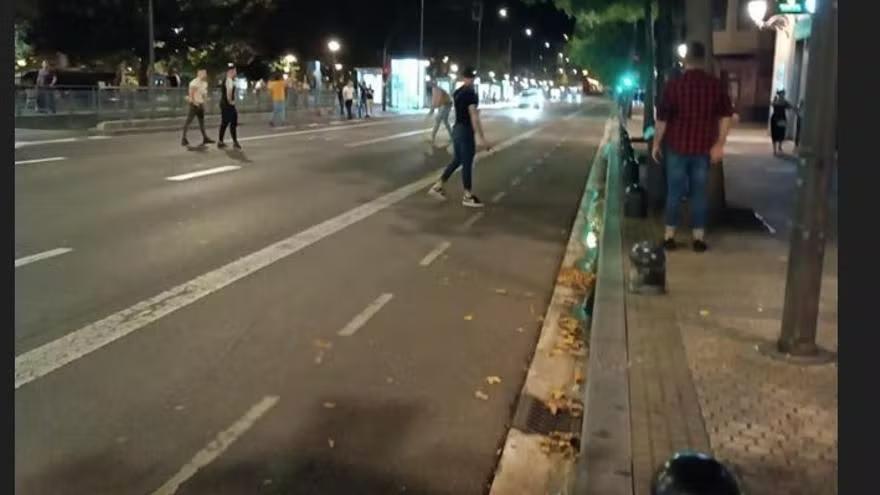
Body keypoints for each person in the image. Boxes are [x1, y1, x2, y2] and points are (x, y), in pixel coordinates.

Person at [652, 41, 733, 253]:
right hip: (703, 148)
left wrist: (656, 143)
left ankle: (669, 236)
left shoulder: (674, 85)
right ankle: (698, 238)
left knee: (674, 192)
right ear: (703, 59)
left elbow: (662, 119)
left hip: (677, 147)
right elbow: (726, 115)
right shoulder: (715, 86)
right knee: (699, 193)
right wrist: (720, 144)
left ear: (685, 59)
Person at [428, 67, 492, 208]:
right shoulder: (471, 93)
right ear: (471, 78)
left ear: (462, 77)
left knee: (457, 160)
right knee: (467, 162)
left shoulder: (457, 92)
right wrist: (482, 138)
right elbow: (473, 116)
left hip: (457, 128)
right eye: (472, 77)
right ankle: (467, 195)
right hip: (465, 131)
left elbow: (461, 111)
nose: (472, 80)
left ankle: (438, 185)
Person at [181, 69, 214, 147]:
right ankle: (183, 138)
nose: (205, 75)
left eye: (205, 73)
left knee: (202, 122)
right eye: (203, 73)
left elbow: (204, 94)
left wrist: (205, 102)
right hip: (194, 105)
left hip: (200, 104)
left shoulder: (204, 83)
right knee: (188, 122)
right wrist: (194, 102)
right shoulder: (194, 83)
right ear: (199, 74)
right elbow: (191, 94)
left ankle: (205, 138)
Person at [218, 64, 242, 149]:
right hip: (227, 105)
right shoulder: (229, 80)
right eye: (235, 70)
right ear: (231, 71)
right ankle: (233, 142)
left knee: (226, 123)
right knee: (231, 123)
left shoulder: (228, 79)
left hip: (225, 104)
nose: (236, 72)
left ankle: (222, 142)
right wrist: (230, 101)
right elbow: (229, 92)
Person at [427, 81, 453, 147]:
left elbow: (436, 100)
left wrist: (432, 109)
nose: (429, 85)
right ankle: (452, 136)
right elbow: (435, 100)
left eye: (430, 83)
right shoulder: (436, 89)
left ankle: (432, 137)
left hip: (446, 104)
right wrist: (432, 108)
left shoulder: (436, 89)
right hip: (445, 104)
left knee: (438, 120)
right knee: (445, 121)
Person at [770, 89, 793, 155]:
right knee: (774, 133)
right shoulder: (778, 101)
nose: (783, 95)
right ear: (779, 94)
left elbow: (790, 107)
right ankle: (774, 149)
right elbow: (772, 104)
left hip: (781, 118)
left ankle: (779, 146)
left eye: (783, 94)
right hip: (776, 118)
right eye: (782, 94)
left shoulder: (784, 101)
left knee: (781, 132)